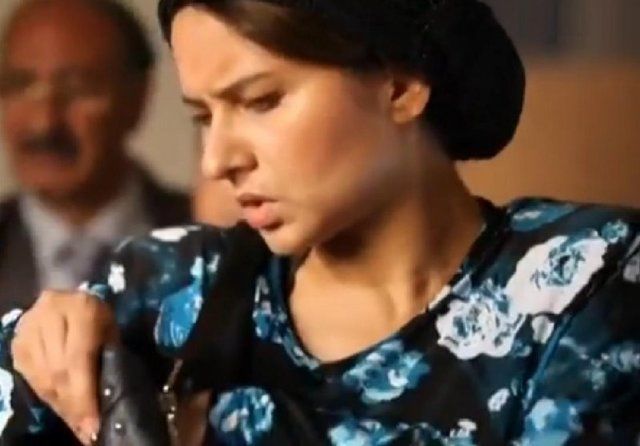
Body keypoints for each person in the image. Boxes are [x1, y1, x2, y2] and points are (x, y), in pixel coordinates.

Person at [2, 0, 640, 444]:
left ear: (399, 86)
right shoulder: (173, 284)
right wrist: (37, 343)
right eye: (204, 116)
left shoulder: (582, 278)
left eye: (260, 101)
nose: (218, 160)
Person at [0, 0, 190, 315]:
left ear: (137, 99)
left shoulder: (211, 244)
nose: (44, 123)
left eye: (77, 89)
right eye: (20, 86)